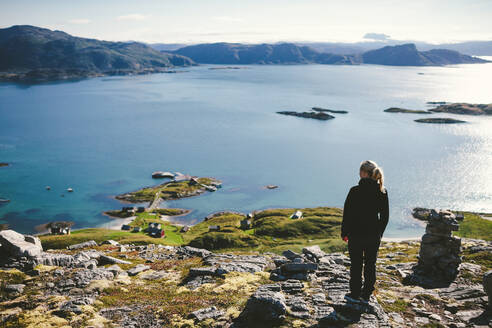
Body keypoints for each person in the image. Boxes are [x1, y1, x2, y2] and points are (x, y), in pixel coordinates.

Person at [341, 160, 389, 303]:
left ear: (364, 173)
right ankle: (367, 293)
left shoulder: (354, 190)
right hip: (373, 235)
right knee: (370, 264)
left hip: (355, 234)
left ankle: (355, 293)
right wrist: (379, 233)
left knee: (356, 264)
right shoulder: (382, 191)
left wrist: (344, 233)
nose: (358, 173)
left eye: (360, 170)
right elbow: (385, 217)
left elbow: (347, 214)